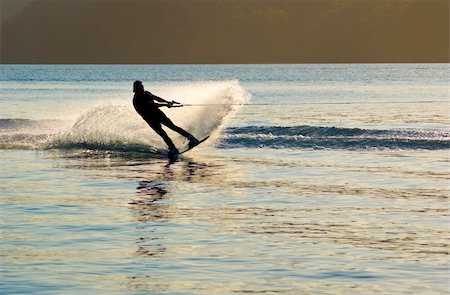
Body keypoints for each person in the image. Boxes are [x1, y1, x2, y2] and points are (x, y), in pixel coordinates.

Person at [132, 80, 199, 157]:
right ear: (136, 89)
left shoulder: (146, 93)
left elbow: (157, 98)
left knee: (173, 127)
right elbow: (153, 104)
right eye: (141, 88)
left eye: (143, 87)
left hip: (158, 114)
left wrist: (167, 102)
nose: (143, 89)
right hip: (150, 119)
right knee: (163, 134)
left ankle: (192, 139)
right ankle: (173, 148)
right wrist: (165, 104)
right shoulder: (137, 100)